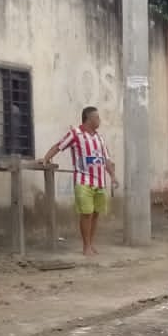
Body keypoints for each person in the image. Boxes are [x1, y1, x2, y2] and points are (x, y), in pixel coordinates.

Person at [41, 105, 117, 256]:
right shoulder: (75, 134)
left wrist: (113, 176)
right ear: (88, 119)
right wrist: (46, 158)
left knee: (95, 214)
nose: (99, 120)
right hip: (83, 181)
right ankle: (86, 246)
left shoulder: (100, 138)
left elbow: (106, 160)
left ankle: (91, 243)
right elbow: (59, 146)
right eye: (96, 117)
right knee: (86, 214)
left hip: (100, 182)